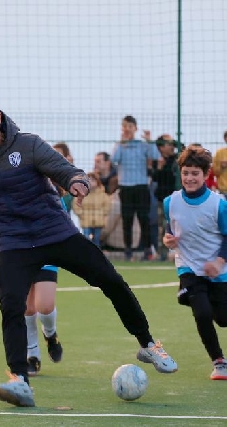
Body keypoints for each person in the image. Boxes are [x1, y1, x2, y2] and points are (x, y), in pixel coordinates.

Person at [0, 91, 177, 408]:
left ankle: (148, 343)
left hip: (55, 233)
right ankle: (19, 379)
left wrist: (76, 182)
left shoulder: (28, 145)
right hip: (13, 243)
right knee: (11, 306)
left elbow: (64, 169)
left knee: (111, 280)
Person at [163, 146, 227, 380]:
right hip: (188, 266)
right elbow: (170, 231)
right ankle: (219, 362)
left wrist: (219, 262)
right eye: (185, 173)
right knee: (201, 313)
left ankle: (190, 294)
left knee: (222, 318)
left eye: (195, 173)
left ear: (205, 174)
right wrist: (167, 240)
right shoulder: (170, 202)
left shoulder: (218, 204)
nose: (189, 178)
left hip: (218, 271)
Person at [111, 116, 159, 261]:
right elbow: (113, 160)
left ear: (135, 128)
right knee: (127, 220)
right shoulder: (119, 145)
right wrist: (121, 144)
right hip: (125, 186)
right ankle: (128, 250)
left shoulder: (143, 145)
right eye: (124, 126)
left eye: (130, 126)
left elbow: (155, 156)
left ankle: (147, 249)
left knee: (144, 218)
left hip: (141, 186)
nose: (127, 129)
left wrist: (150, 140)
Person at [72, 172, 111, 247]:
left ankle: (97, 255)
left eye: (93, 180)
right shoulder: (82, 194)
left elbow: (107, 205)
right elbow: (76, 204)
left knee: (97, 239)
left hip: (98, 220)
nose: (91, 182)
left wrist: (103, 213)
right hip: (86, 220)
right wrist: (80, 213)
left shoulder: (102, 194)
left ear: (97, 182)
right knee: (86, 238)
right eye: (89, 180)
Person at [212, 130, 227, 197]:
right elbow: (214, 172)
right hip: (223, 189)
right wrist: (221, 167)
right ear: (225, 138)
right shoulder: (219, 153)